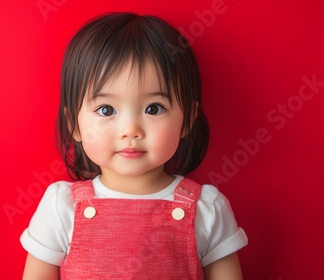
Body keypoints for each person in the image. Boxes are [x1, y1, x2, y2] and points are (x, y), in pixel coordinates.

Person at [20, 12, 248, 280]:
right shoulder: (62, 207)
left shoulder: (207, 209)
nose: (131, 130)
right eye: (106, 110)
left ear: (186, 120)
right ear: (74, 125)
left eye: (154, 108)